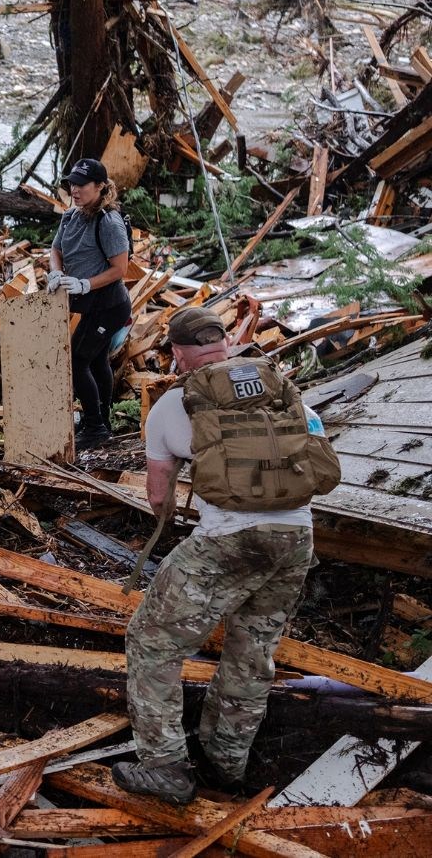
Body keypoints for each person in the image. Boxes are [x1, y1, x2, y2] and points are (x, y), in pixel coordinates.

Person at [112, 307, 336, 805]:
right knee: (252, 651)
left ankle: (165, 763)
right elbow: (316, 451)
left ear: (175, 353)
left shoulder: (175, 404)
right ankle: (225, 763)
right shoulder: (280, 389)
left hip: (229, 540)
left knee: (151, 641)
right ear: (227, 345)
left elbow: (156, 496)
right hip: (297, 538)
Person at [47, 158, 131, 449]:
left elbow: (121, 269)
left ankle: (95, 427)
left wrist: (85, 283)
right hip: (88, 304)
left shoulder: (108, 221)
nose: (75, 189)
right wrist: (56, 271)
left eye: (82, 185)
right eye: (72, 183)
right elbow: (55, 249)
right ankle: (102, 420)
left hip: (109, 305)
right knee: (95, 359)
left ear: (99, 187)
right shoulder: (71, 216)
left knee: (76, 360)